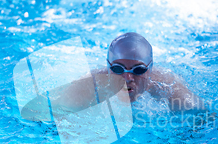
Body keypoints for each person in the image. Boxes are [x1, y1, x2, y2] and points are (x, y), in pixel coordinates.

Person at [51, 32, 207, 114]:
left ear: (150, 69)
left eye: (138, 70)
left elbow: (204, 119)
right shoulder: (86, 88)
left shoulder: (172, 91)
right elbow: (49, 119)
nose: (127, 78)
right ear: (108, 68)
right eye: (118, 69)